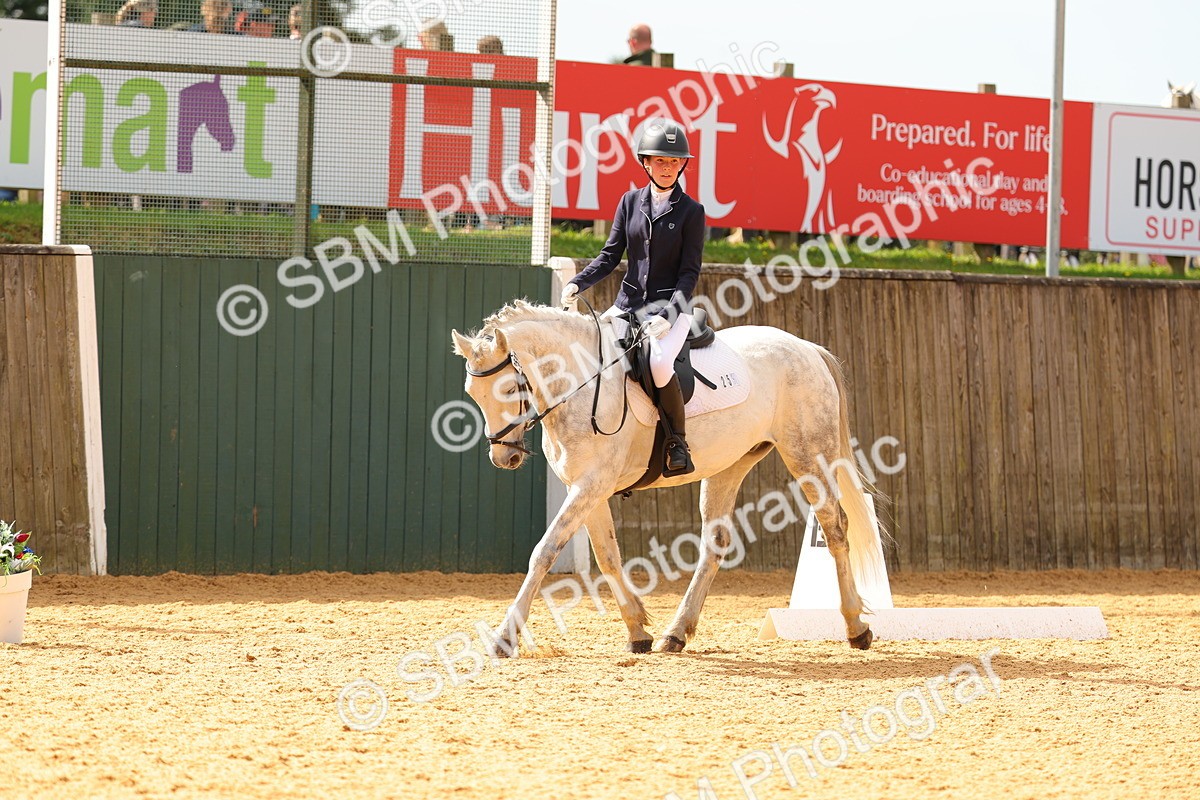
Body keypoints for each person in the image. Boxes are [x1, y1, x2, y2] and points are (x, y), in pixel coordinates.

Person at [560, 119, 704, 476]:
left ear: (682, 165)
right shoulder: (629, 202)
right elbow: (610, 256)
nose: (667, 168)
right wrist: (579, 283)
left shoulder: (692, 212)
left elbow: (689, 275)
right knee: (592, 351)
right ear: (646, 163)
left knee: (657, 365)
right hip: (627, 305)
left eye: (673, 162)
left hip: (669, 309)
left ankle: (677, 443)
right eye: (660, 161)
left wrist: (669, 316)